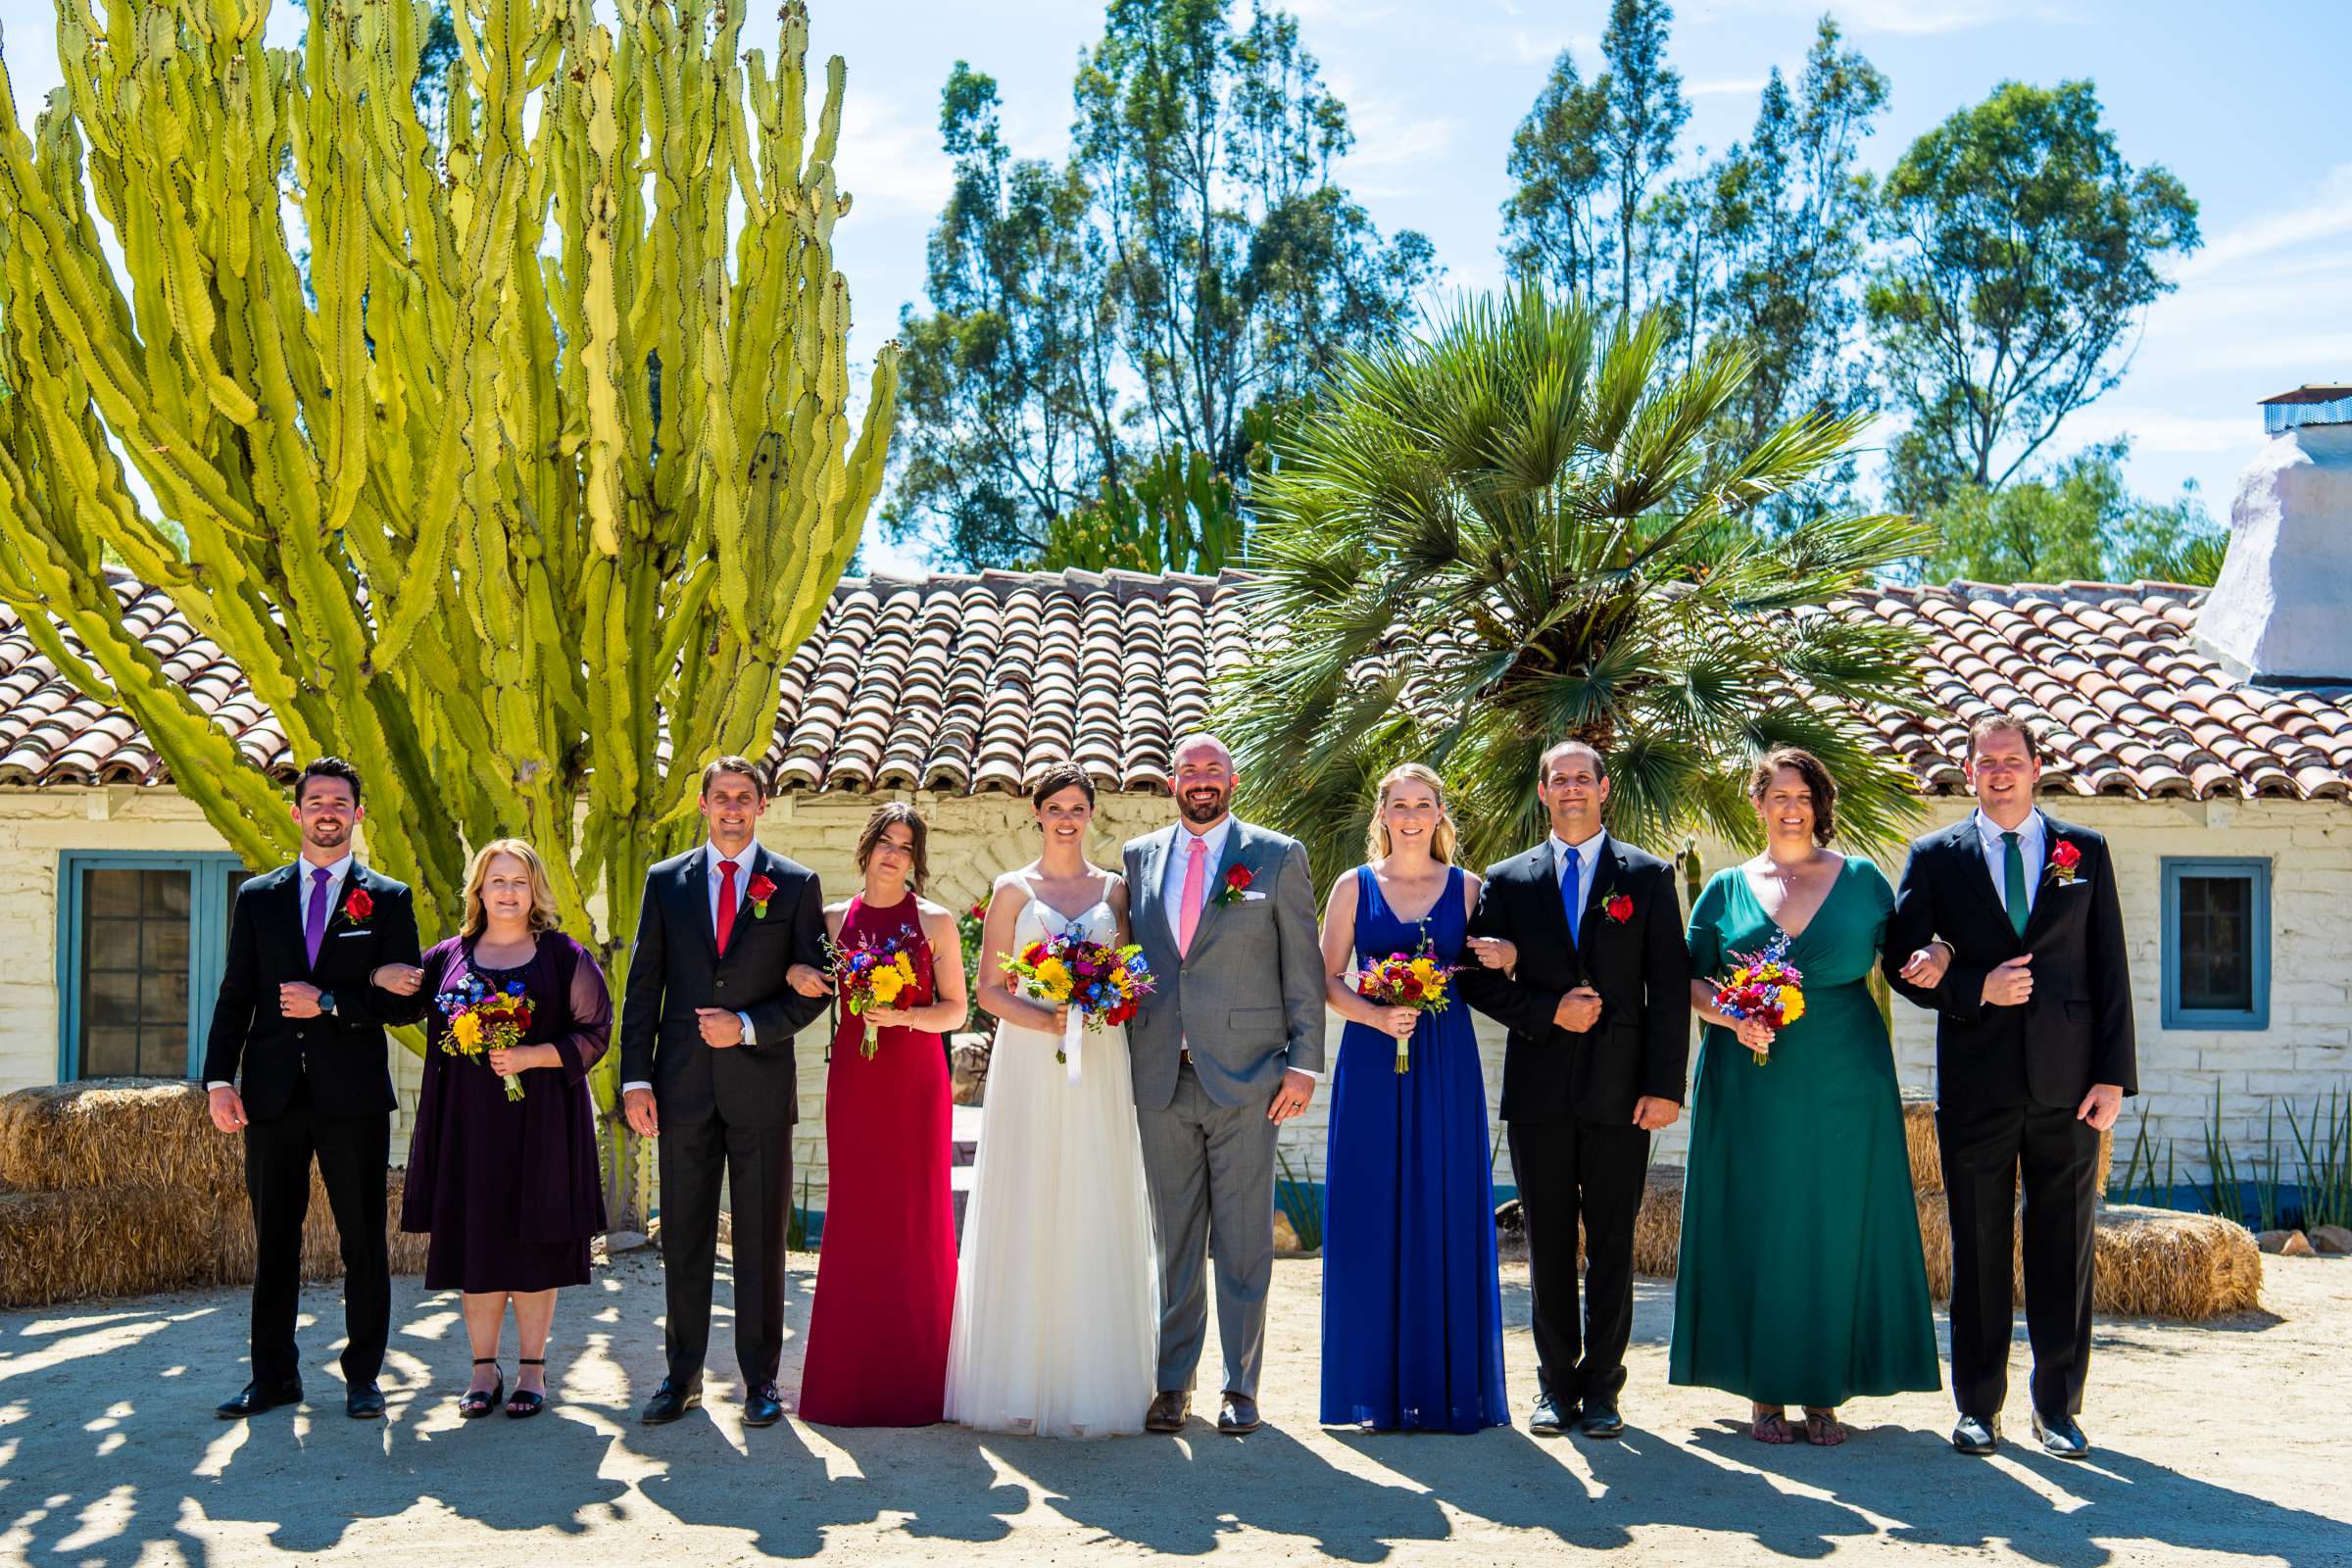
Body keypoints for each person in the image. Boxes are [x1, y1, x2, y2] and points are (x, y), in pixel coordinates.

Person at [1674, 750, 1951, 1446]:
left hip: (1844, 1074)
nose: (1790, 807)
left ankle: (1825, 1393)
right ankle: (1766, 1394)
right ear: (1759, 804)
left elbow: (1912, 956)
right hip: (1750, 1077)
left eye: (1802, 795)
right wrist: (1732, 1017)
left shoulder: (1862, 882)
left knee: (1835, 1221)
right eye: (1777, 795)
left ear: (1818, 803)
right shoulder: (1726, 889)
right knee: (1760, 1218)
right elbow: (1688, 981)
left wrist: (1943, 952)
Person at [1885, 717, 2136, 1460]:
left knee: (2065, 1250)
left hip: (2069, 1085)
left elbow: (2109, 966)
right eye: (1986, 761)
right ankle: (1978, 1409)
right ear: (1968, 772)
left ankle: (2057, 1410)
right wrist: (1974, 988)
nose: (2000, 771)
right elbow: (1905, 961)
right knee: (1981, 1248)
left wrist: (2113, 1076)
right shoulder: (1935, 858)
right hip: (1978, 1083)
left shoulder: (2081, 850)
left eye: (2012, 760)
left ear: (2036, 769)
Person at [1454, 739, 1688, 1441]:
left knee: (1613, 1244)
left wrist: (1665, 1087)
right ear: (1543, 791)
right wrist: (1547, 1010)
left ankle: (1604, 1391)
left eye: (1584, 778)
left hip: (1624, 1094)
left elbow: (1670, 991)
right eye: (1561, 779)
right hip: (1540, 1092)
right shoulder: (1509, 879)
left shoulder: (1645, 876)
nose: (1574, 789)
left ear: (1605, 788)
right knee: (1548, 1244)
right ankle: (1555, 1387)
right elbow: (1474, 976)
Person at [202, 757, 422, 1420]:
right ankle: (273, 1377)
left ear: (358, 815)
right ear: (298, 814)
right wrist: (218, 1079)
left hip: (351, 1096)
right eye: (317, 800)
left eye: (340, 801)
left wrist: (331, 1002)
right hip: (271, 1095)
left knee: (362, 1240)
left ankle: (362, 1378)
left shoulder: (387, 898)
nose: (328, 811)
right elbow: (236, 993)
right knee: (275, 1240)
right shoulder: (259, 898)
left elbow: (408, 1001)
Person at [1121, 733, 1326, 1437]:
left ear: (1232, 780)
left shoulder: (1277, 855)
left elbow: (1302, 968)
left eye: (1213, 768)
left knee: (1242, 1242)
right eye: (1189, 769)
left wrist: (1303, 1064)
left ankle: (1241, 1387)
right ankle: (1172, 1383)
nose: (1201, 779)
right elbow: (1136, 967)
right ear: (1171, 781)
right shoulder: (1139, 857)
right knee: (1174, 1240)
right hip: (1160, 1075)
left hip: (1250, 1078)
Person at [619, 756, 832, 1428]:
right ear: (704, 806)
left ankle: (760, 1381)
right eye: (721, 797)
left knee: (763, 1243)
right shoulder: (666, 883)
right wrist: (635, 1078)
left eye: (744, 797)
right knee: (683, 1236)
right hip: (680, 1089)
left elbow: (813, 991)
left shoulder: (795, 886)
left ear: (761, 806)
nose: (732, 807)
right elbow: (643, 986)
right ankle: (680, 1377)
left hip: (760, 1087)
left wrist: (745, 1026)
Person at [948, 761, 1159, 1437]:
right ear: (1036, 813)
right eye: (1055, 807)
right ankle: (1017, 1381)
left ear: (1091, 814)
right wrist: (1044, 1019)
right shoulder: (1012, 890)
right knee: (1031, 1194)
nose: (1067, 817)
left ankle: (1091, 1382)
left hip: (1096, 1059)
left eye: (1078, 807)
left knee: (1093, 1194)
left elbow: (1132, 977)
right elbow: (987, 991)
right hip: (1031, 1060)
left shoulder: (1116, 892)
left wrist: (1099, 1005)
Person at [391, 840, 612, 1419]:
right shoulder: (447, 957)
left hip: (543, 1124)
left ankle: (532, 1372)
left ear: (535, 890)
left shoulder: (565, 957)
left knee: (536, 1246)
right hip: (467, 1125)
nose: (508, 891)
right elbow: (397, 1007)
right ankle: (482, 1371)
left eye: (519, 880)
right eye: (497, 881)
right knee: (477, 1244)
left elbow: (595, 1033)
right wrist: (376, 971)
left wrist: (532, 1057)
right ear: (479, 891)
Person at [1316, 763, 1507, 1433]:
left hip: (1444, 1061)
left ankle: (1447, 1388)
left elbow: (1504, 963)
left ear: (1439, 814)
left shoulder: (1470, 888)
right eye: (1398, 804)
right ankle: (1372, 1388)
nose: (1410, 815)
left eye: (1422, 804)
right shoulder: (1352, 886)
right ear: (1383, 814)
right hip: (1372, 1057)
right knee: (1372, 1205)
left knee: (1443, 1203)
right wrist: (1373, 1017)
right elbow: (1325, 978)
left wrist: (1507, 952)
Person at [790, 804, 966, 1426]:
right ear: (865, 849)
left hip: (916, 1080)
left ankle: (924, 1381)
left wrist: (906, 1017)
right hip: (857, 1081)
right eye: (885, 842)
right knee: (859, 1215)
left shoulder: (936, 921)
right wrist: (798, 970)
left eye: (906, 846)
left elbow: (957, 1012)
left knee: (917, 1215)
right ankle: (850, 1381)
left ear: (916, 858)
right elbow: (798, 974)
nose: (894, 854)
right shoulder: (832, 918)